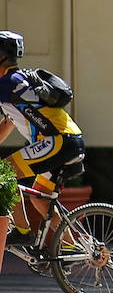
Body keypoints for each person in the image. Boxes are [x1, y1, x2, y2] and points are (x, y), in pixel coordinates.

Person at [0, 31, 83, 248]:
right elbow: (8, 123)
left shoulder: (9, 82)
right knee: (40, 198)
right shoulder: (17, 84)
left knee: (4, 174)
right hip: (68, 140)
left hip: (59, 141)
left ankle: (21, 231)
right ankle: (74, 248)